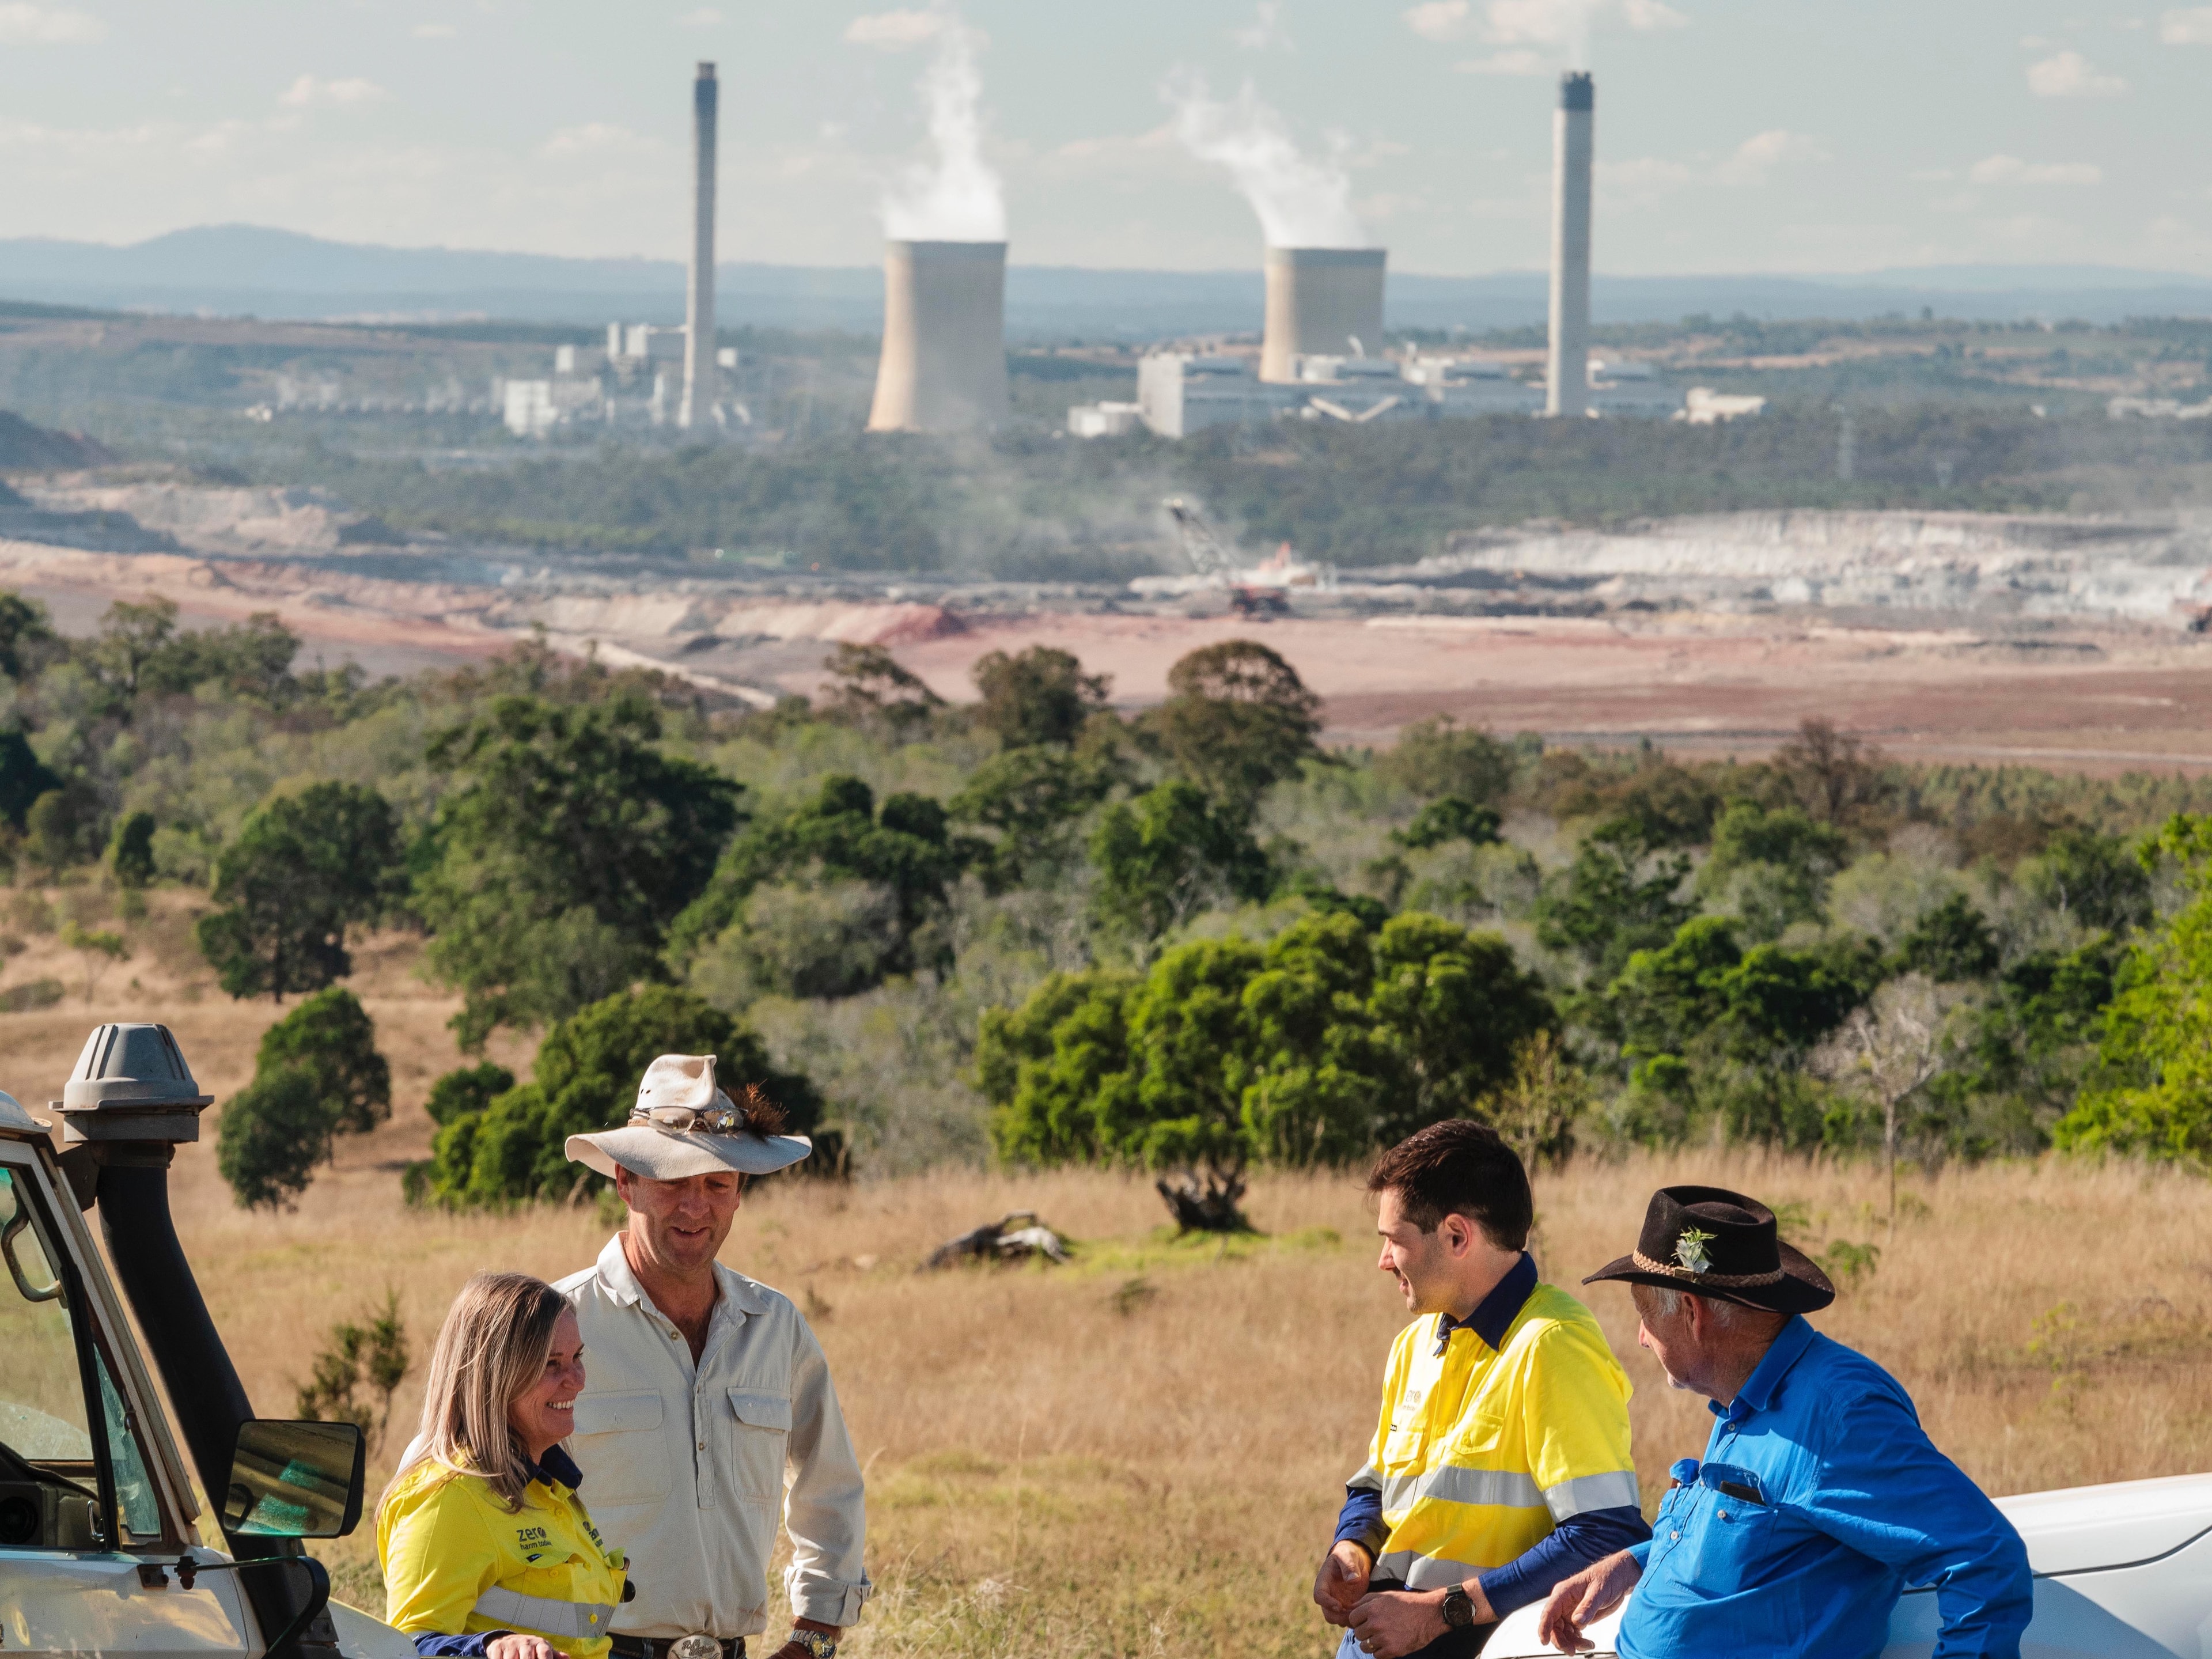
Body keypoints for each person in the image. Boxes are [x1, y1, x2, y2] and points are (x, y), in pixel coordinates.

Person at [1537, 1184, 2033, 1659]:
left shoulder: (1840, 1413)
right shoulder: (1748, 1394)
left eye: (1646, 1314)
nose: (1642, 1337)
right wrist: (1629, 1564)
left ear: (1691, 1311)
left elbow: (1986, 1561)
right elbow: (1754, 1545)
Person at [558, 1054, 869, 1659]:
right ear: (625, 1181)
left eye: (716, 1184)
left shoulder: (775, 1326)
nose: (695, 1207)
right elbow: (456, 1493)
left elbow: (829, 1485)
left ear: (738, 1194)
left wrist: (815, 1637)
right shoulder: (553, 1325)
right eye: (673, 1181)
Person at [1313, 1121, 1650, 1659]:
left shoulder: (1554, 1343)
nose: (1384, 1260)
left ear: (1456, 1236)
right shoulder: (1415, 1342)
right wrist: (1353, 1545)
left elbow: (1604, 1534)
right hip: (1378, 1637)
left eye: (1394, 1240)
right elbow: (1378, 1484)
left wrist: (1439, 1612)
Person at [380, 1272, 628, 1659]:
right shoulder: (449, 1499)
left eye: (577, 1358)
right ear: (494, 1377)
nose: (577, 1380)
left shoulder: (552, 1486)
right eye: (551, 1364)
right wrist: (491, 1648)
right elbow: (405, 1649)